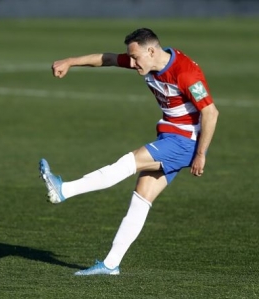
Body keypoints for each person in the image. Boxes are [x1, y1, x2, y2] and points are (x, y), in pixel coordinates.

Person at [39, 28, 219, 276]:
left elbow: (211, 112)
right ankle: (111, 264)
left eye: (135, 58)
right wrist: (70, 61)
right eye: (131, 58)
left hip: (184, 142)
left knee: (127, 162)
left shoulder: (186, 73)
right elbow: (109, 59)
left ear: (152, 51)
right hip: (170, 136)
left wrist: (201, 154)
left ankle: (64, 190)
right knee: (141, 198)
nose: (132, 63)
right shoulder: (145, 60)